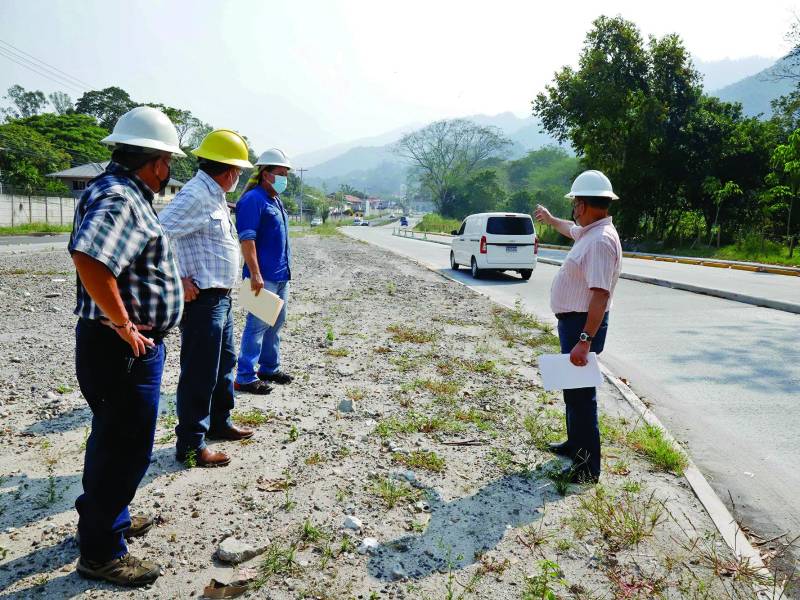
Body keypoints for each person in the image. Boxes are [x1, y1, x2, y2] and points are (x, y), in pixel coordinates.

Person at [69, 106, 185, 586]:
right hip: (121, 349)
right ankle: (100, 553)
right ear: (157, 161)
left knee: (112, 439)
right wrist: (123, 325)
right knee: (126, 448)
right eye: (168, 162)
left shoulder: (116, 190)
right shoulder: (121, 198)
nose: (169, 171)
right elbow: (90, 257)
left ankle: (104, 518)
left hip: (117, 346)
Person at [159, 130, 255, 468]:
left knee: (224, 365)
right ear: (230, 170)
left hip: (222, 300)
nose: (239, 177)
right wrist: (176, 279)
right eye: (239, 171)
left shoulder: (213, 195)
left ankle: (218, 422)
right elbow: (157, 233)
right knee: (200, 372)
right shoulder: (197, 194)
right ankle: (191, 445)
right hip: (203, 301)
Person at [534, 170, 622, 484]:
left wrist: (585, 339)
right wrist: (549, 218)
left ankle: (586, 469)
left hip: (582, 326)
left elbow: (600, 294)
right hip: (575, 324)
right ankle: (575, 446)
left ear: (582, 205)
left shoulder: (599, 242)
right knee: (574, 392)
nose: (573, 212)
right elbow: (568, 228)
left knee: (582, 398)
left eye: (574, 205)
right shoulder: (591, 233)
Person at [234, 148, 294, 393]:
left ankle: (268, 367)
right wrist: (255, 273)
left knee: (276, 322)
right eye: (280, 173)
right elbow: (247, 240)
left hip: (280, 276)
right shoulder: (253, 200)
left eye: (286, 174)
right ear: (265, 174)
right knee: (257, 325)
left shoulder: (275, 199)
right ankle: (245, 376)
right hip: (262, 276)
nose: (284, 178)